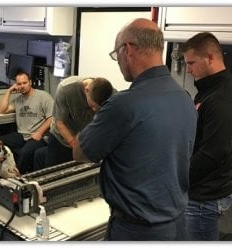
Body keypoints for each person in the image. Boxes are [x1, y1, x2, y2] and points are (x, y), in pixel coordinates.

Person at [72, 18, 198, 241]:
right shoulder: (185, 99)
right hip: (176, 225)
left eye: (115, 54)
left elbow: (81, 153)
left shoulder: (123, 104)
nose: (117, 61)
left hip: (136, 232)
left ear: (127, 49)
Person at [180, 32, 232, 241]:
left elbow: (214, 153)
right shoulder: (210, 90)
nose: (188, 70)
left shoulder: (222, 100)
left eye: (191, 63)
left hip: (204, 198)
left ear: (210, 57)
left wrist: (177, 176)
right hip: (201, 193)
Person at [34, 76, 115, 170]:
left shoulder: (110, 93)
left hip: (83, 138)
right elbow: (59, 123)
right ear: (86, 90)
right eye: (92, 106)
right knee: (53, 173)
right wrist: (75, 146)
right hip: (60, 138)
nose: (94, 110)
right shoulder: (66, 89)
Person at [0, 71, 54, 174]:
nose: (22, 86)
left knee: (24, 153)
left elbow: (51, 118)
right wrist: (9, 91)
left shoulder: (43, 96)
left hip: (38, 136)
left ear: (30, 82)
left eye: (24, 83)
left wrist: (39, 133)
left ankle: (17, 179)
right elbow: (2, 110)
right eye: (19, 84)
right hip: (22, 135)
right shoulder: (18, 100)